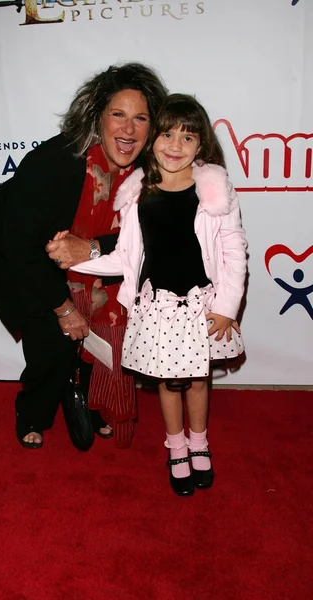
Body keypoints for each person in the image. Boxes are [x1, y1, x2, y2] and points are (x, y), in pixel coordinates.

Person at [0, 63, 167, 450]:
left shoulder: (152, 171)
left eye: (140, 118)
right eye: (118, 115)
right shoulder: (57, 163)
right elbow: (20, 241)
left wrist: (91, 248)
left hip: (88, 258)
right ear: (98, 118)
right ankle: (33, 413)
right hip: (12, 250)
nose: (129, 130)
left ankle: (92, 405)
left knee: (103, 329)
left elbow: (149, 238)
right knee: (51, 342)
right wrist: (62, 308)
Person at [62, 94, 247, 495]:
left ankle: (199, 444)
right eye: (166, 135)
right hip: (158, 307)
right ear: (153, 140)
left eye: (187, 138)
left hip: (202, 305)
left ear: (201, 146)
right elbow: (124, 257)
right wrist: (74, 261)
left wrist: (227, 308)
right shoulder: (138, 191)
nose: (174, 146)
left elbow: (234, 252)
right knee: (168, 382)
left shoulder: (213, 189)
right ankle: (176, 447)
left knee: (199, 381)